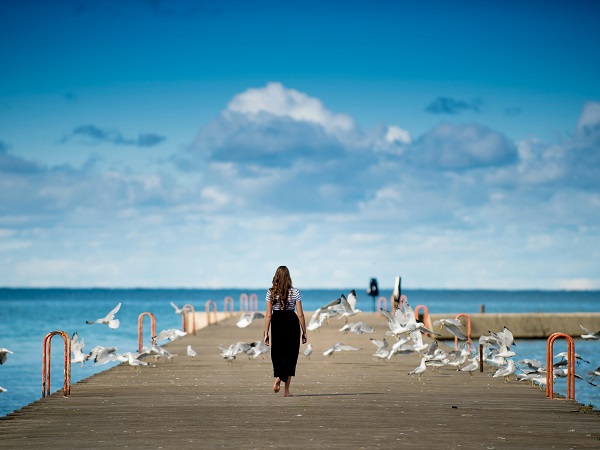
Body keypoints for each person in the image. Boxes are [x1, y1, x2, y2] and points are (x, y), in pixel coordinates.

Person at [263, 265, 307, 397]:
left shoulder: (270, 292)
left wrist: (266, 333)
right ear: (288, 277)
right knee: (291, 355)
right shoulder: (295, 292)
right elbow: (300, 314)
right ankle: (286, 391)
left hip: (277, 322)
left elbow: (268, 315)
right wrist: (304, 331)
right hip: (291, 322)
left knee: (278, 352)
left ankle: (278, 376)